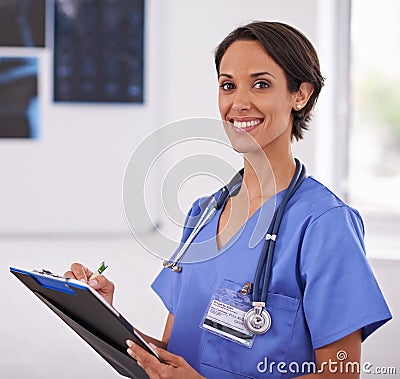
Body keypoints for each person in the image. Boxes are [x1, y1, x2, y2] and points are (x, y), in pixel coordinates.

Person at [65, 21, 392, 378]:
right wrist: (101, 315)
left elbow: (341, 374)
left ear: (301, 95)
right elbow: (174, 356)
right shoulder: (202, 216)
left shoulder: (325, 223)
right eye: (228, 85)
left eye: (261, 84)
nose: (239, 102)